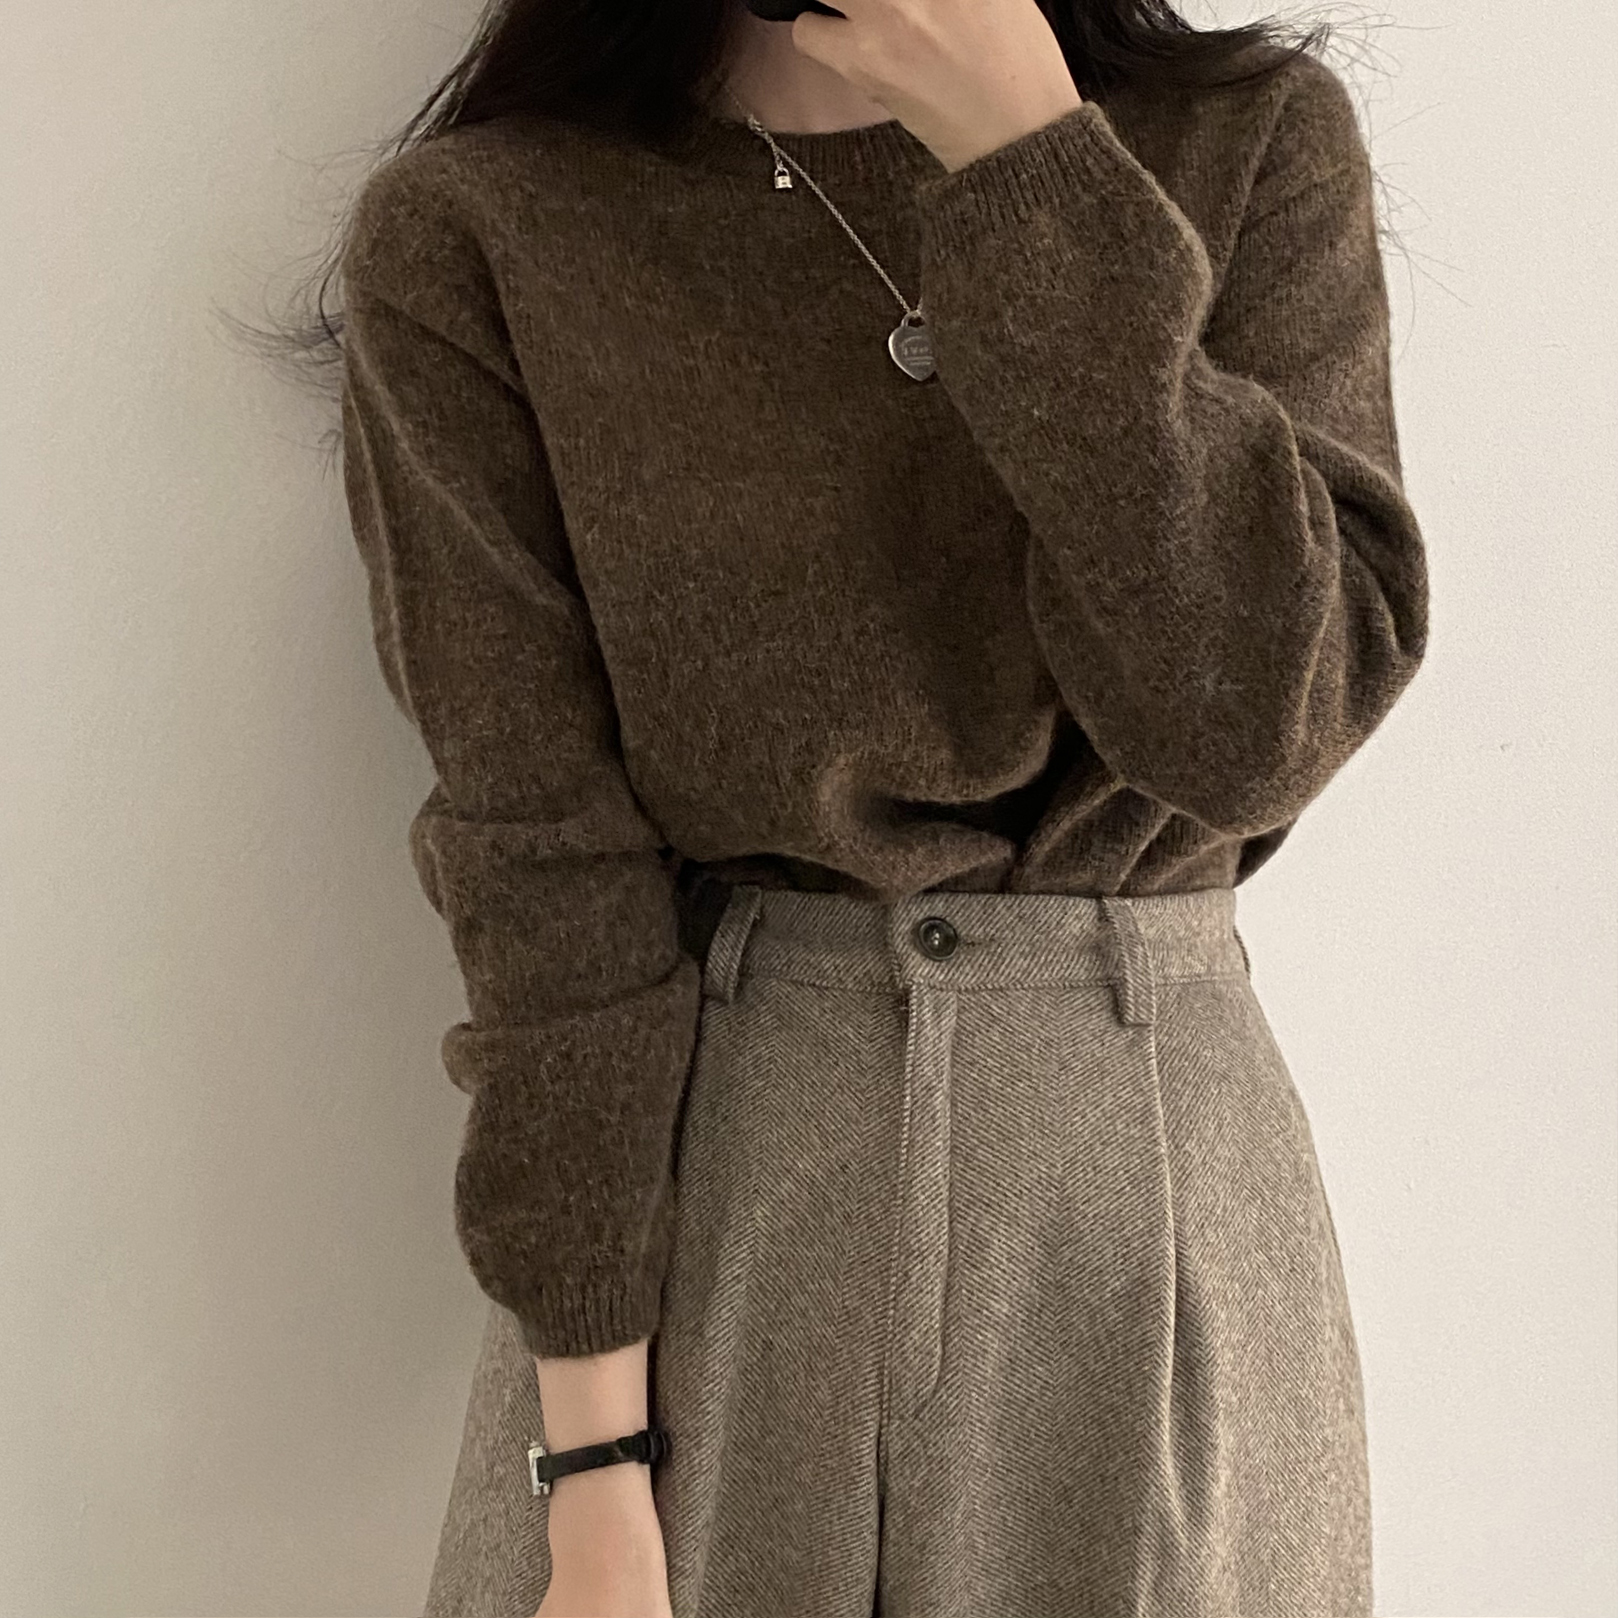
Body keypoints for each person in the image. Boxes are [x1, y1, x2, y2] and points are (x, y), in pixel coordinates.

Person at [327, 0, 1430, 1610]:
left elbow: (1250, 727)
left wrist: (1031, 168)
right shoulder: (489, 228)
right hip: (729, 1217)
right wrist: (595, 1470)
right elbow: (541, 871)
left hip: (1136, 1215)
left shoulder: (1243, 144)